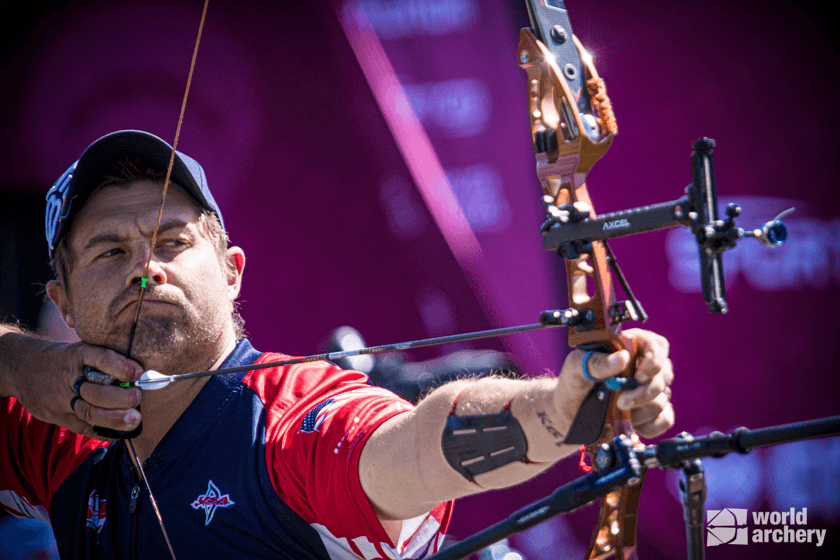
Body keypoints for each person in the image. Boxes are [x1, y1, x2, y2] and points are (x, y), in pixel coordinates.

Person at [0, 130, 675, 560]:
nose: (146, 269)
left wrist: (561, 409)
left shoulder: (291, 425)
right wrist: (21, 361)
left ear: (233, 270)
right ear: (61, 304)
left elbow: (409, 447)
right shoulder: (59, 436)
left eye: (172, 242)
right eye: (109, 251)